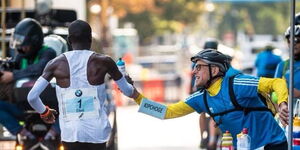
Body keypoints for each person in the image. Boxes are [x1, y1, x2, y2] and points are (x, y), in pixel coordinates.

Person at [130, 49, 289, 150]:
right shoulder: (200, 98)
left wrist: (282, 104)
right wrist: (136, 96)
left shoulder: (237, 84)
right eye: (194, 67)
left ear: (214, 69)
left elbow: (277, 82)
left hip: (272, 144)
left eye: (199, 66)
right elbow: (167, 112)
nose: (194, 71)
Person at [27, 20, 135, 150]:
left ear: (69, 40)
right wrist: (128, 82)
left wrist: (45, 112)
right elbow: (128, 92)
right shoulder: (104, 61)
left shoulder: (55, 64)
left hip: (71, 133)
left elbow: (32, 97)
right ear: (90, 39)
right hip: (97, 133)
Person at [0, 18, 57, 139]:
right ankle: (23, 133)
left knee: (67, 109)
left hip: (49, 108)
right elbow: (12, 66)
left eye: (25, 46)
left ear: (35, 41)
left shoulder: (48, 52)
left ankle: (54, 132)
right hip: (23, 109)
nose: (22, 49)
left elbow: (40, 68)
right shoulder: (21, 56)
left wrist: (13, 76)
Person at [192, 38, 220, 150]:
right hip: (214, 89)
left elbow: (193, 75)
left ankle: (202, 138)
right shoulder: (219, 57)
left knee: (202, 113)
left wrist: (193, 89)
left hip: (199, 89)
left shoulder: (198, 58)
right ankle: (213, 139)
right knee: (215, 112)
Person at [274, 25, 300, 100]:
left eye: (297, 40)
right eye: (290, 40)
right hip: (288, 110)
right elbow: (274, 90)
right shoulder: (282, 65)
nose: (293, 43)